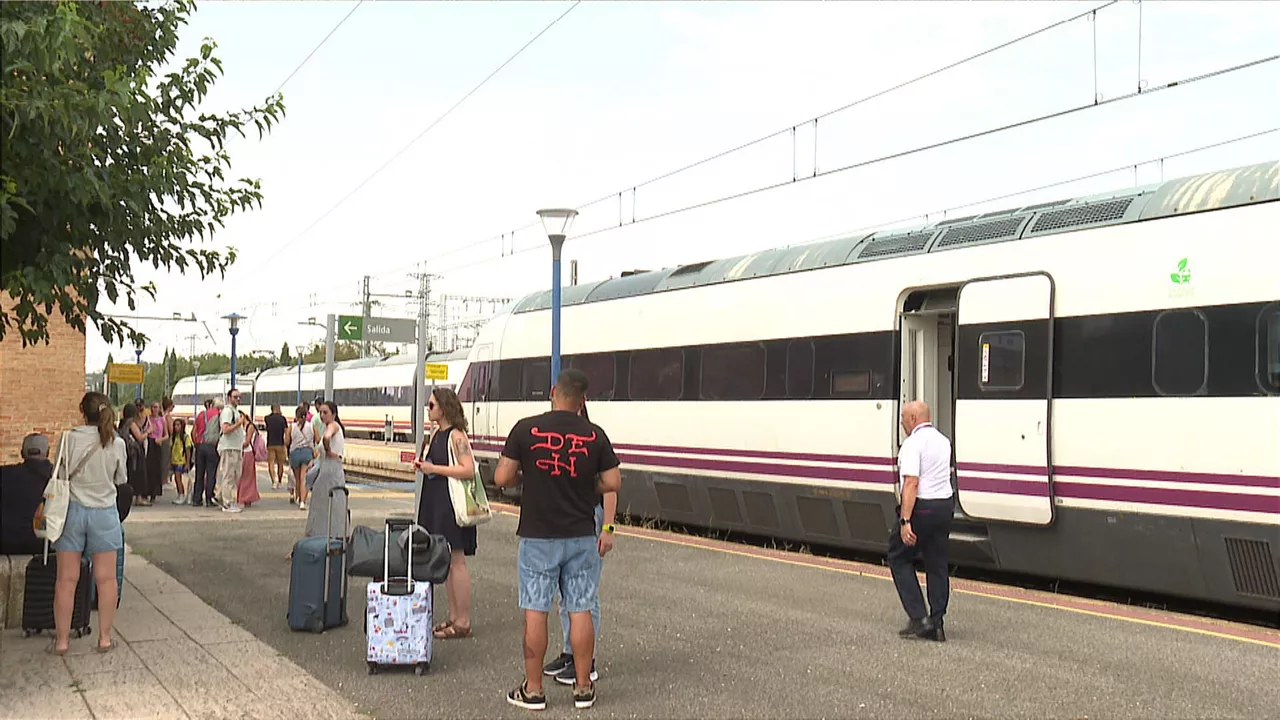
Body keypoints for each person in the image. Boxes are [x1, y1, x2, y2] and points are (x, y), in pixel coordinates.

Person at [495, 369, 622, 711]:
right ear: (582, 401)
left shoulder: (525, 429)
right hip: (581, 535)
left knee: (536, 610)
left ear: (553, 392)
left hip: (538, 536)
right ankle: (583, 688)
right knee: (580, 608)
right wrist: (587, 485)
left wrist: (529, 474)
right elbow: (613, 481)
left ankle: (533, 690)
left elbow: (502, 477)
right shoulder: (594, 435)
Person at [542, 401, 616, 686]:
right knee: (568, 595)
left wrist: (608, 528)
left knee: (585, 595)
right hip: (573, 522)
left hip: (592, 519)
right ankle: (570, 652)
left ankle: (588, 661)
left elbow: (610, 488)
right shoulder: (570, 442)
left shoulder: (593, 441)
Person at [50, 392, 127, 655]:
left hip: (71, 511)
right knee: (106, 580)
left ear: (82, 412)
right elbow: (121, 478)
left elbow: (58, 473)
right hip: (104, 513)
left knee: (66, 579)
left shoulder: (68, 438)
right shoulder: (116, 443)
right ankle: (104, 638)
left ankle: (61, 641)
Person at [412, 388, 478, 640]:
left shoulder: (456, 436)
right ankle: (454, 615)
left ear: (444, 408)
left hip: (451, 505)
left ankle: (463, 620)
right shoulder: (438, 434)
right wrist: (425, 468)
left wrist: (433, 468)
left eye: (431, 405)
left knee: (457, 561)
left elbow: (468, 469)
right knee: (448, 561)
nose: (428, 410)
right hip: (438, 501)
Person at [888, 400, 954, 642]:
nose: (903, 423)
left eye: (904, 418)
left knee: (898, 556)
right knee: (937, 563)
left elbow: (911, 483)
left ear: (914, 419)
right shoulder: (943, 441)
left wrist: (905, 521)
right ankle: (937, 623)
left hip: (922, 508)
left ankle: (919, 618)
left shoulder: (912, 444)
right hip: (944, 506)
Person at [0, 434, 55, 555]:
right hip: (43, 545)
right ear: (47, 453)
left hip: (5, 543)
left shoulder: (4, 474)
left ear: (22, 453)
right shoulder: (59, 479)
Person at [303, 401, 348, 539]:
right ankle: (332, 535)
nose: (322, 415)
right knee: (331, 504)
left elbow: (327, 438)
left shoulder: (333, 426)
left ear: (333, 414)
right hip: (329, 469)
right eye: (320, 412)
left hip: (330, 471)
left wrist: (328, 450)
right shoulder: (333, 427)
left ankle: (322, 536)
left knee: (324, 504)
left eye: (325, 412)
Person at [216, 389, 248, 513]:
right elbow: (225, 429)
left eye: (239, 397)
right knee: (229, 475)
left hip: (235, 447)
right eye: (235, 397)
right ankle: (227, 503)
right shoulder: (228, 411)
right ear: (229, 398)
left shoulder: (234, 411)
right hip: (229, 448)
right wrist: (239, 423)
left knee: (235, 474)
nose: (238, 399)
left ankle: (220, 496)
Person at [286, 404, 317, 510]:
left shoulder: (291, 426)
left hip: (295, 453)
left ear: (296, 415)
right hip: (307, 453)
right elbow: (318, 439)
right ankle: (302, 502)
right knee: (303, 478)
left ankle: (298, 497)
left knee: (297, 478)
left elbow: (286, 441)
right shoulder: (311, 426)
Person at [194, 397, 224, 508]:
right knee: (211, 473)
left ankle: (196, 499)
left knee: (199, 473)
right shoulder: (219, 415)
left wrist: (197, 443)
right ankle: (209, 498)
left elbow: (195, 430)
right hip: (212, 447)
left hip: (200, 446)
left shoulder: (202, 414)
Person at [118, 404, 147, 506]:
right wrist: (148, 432)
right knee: (138, 473)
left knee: (129, 474)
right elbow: (139, 437)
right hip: (135, 452)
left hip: (126, 451)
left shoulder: (122, 423)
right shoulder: (131, 423)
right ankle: (139, 498)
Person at [237, 411, 262, 508]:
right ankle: (243, 497)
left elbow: (247, 441)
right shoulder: (240, 426)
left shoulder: (250, 427)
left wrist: (237, 446)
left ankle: (245, 498)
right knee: (241, 476)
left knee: (247, 477)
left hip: (248, 453)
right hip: (242, 452)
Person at [169, 418, 194, 505]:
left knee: (179, 478)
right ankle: (180, 493)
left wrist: (187, 463)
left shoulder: (185, 437)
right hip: (174, 460)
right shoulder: (173, 437)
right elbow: (171, 449)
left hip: (181, 460)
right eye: (175, 425)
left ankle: (182, 494)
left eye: (178, 425)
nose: (176, 427)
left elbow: (188, 450)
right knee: (176, 478)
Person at [264, 404, 288, 489]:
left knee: (270, 463)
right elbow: (286, 431)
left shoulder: (267, 418)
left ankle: (273, 481)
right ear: (278, 409)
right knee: (280, 464)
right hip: (280, 443)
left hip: (270, 443)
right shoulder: (282, 419)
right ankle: (280, 482)